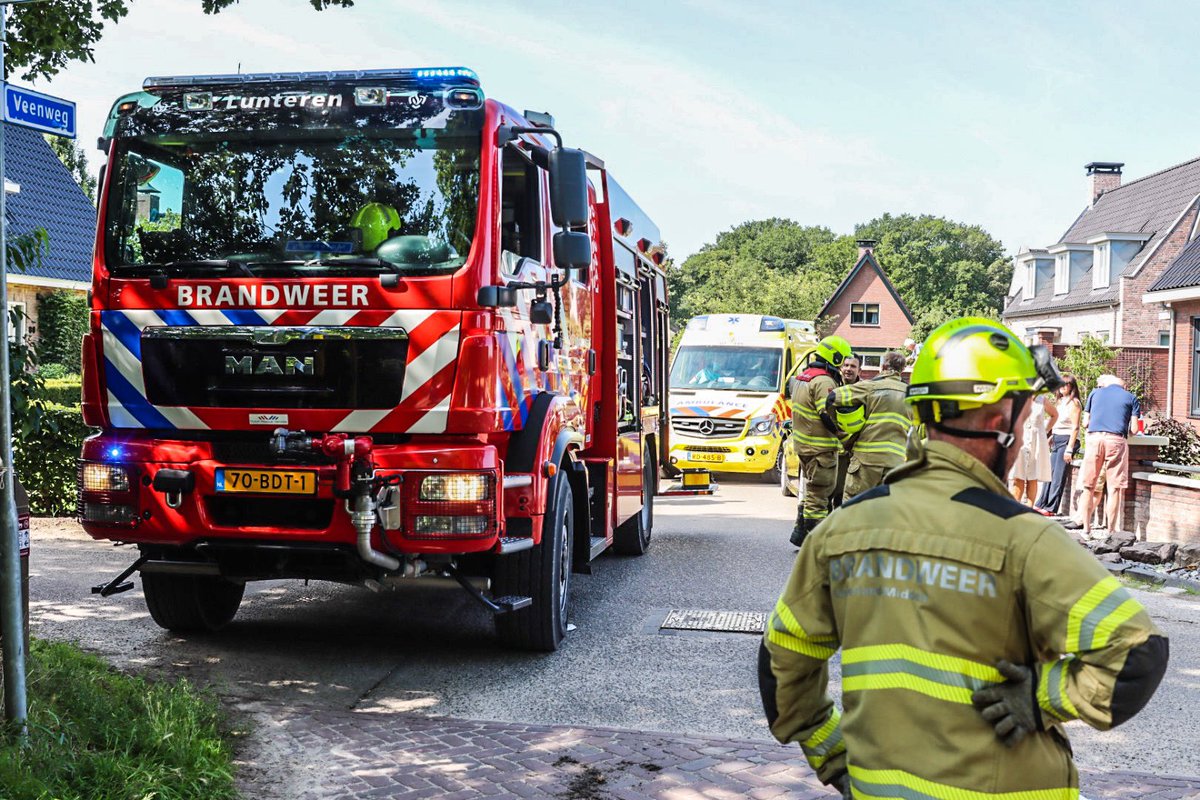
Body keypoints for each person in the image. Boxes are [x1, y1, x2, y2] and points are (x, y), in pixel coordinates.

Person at [758, 317, 1167, 800]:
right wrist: (1040, 699)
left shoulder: (841, 530)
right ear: (1001, 422)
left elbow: (781, 659)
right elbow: (1139, 655)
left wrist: (837, 759)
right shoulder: (1026, 540)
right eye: (1028, 408)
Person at [789, 335, 852, 547]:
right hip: (820, 448)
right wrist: (842, 435)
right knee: (820, 496)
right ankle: (818, 544)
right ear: (834, 357)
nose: (843, 366)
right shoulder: (824, 381)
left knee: (811, 492)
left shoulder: (803, 377)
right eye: (841, 360)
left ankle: (800, 533)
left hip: (804, 447)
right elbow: (826, 414)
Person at [828, 350, 911, 501]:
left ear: (883, 366)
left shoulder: (871, 386)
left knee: (853, 507)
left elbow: (833, 397)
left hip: (867, 460)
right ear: (902, 370)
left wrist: (842, 432)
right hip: (895, 462)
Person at [1071, 374, 1141, 537]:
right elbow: (1135, 429)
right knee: (1114, 488)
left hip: (1095, 439)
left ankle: (1086, 530)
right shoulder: (1131, 398)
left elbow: (1085, 422)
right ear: (1123, 386)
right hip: (1116, 440)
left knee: (1089, 486)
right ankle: (1110, 532)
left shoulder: (1094, 393)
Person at [1036, 375, 1082, 515]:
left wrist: (1069, 448)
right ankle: (1041, 503)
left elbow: (1075, 427)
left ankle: (1051, 508)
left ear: (1072, 386)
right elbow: (1056, 422)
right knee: (1049, 473)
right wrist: (1051, 437)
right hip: (1057, 438)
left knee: (1058, 475)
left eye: (1066, 385)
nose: (1062, 387)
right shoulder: (1060, 402)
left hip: (1067, 440)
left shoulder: (1074, 403)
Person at [1008, 392, 1058, 505]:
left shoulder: (1042, 400)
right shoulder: (1018, 397)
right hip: (1021, 439)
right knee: (1018, 476)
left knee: (1032, 476)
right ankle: (1015, 509)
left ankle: (1030, 510)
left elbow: (1054, 415)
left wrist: (1044, 430)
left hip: (1037, 441)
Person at [831, 355, 863, 508]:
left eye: (853, 366)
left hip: (855, 451)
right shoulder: (832, 387)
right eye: (846, 365)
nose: (849, 369)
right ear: (840, 368)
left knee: (846, 493)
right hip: (833, 449)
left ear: (859, 370)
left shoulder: (865, 391)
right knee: (829, 492)